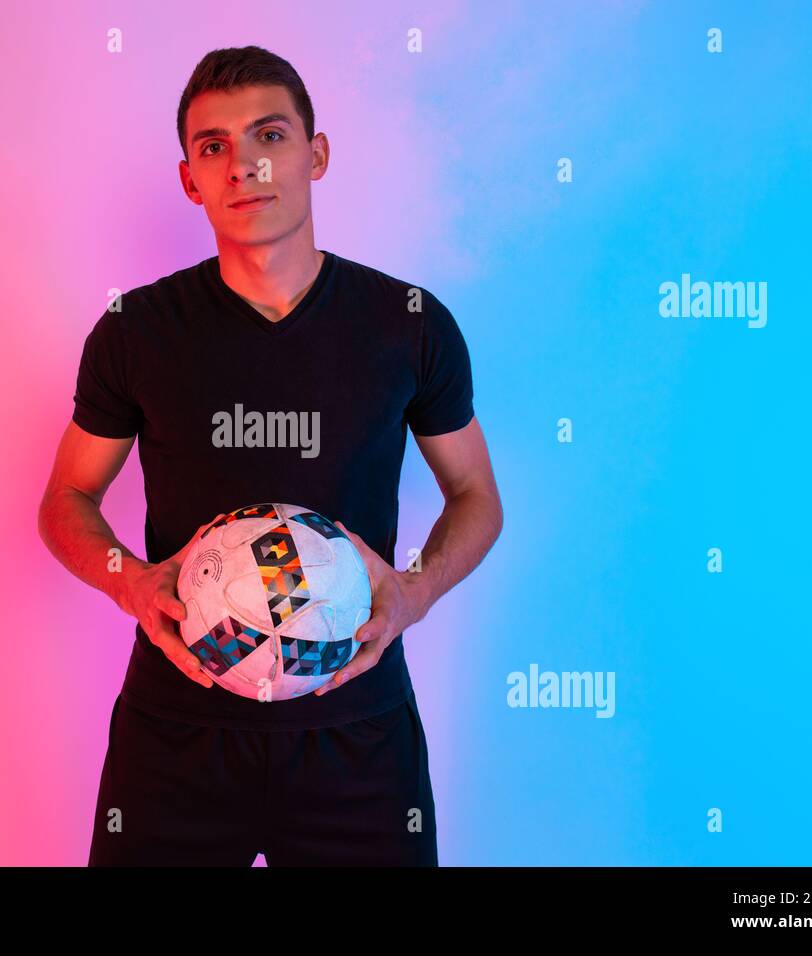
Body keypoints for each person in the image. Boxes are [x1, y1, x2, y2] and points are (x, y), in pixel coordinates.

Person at [38, 45, 503, 866]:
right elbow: (67, 498)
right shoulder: (137, 331)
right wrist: (130, 580)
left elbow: (474, 495)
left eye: (270, 135)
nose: (244, 165)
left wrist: (415, 592)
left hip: (356, 732)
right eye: (213, 146)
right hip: (178, 735)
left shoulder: (407, 322)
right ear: (191, 179)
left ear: (316, 154)